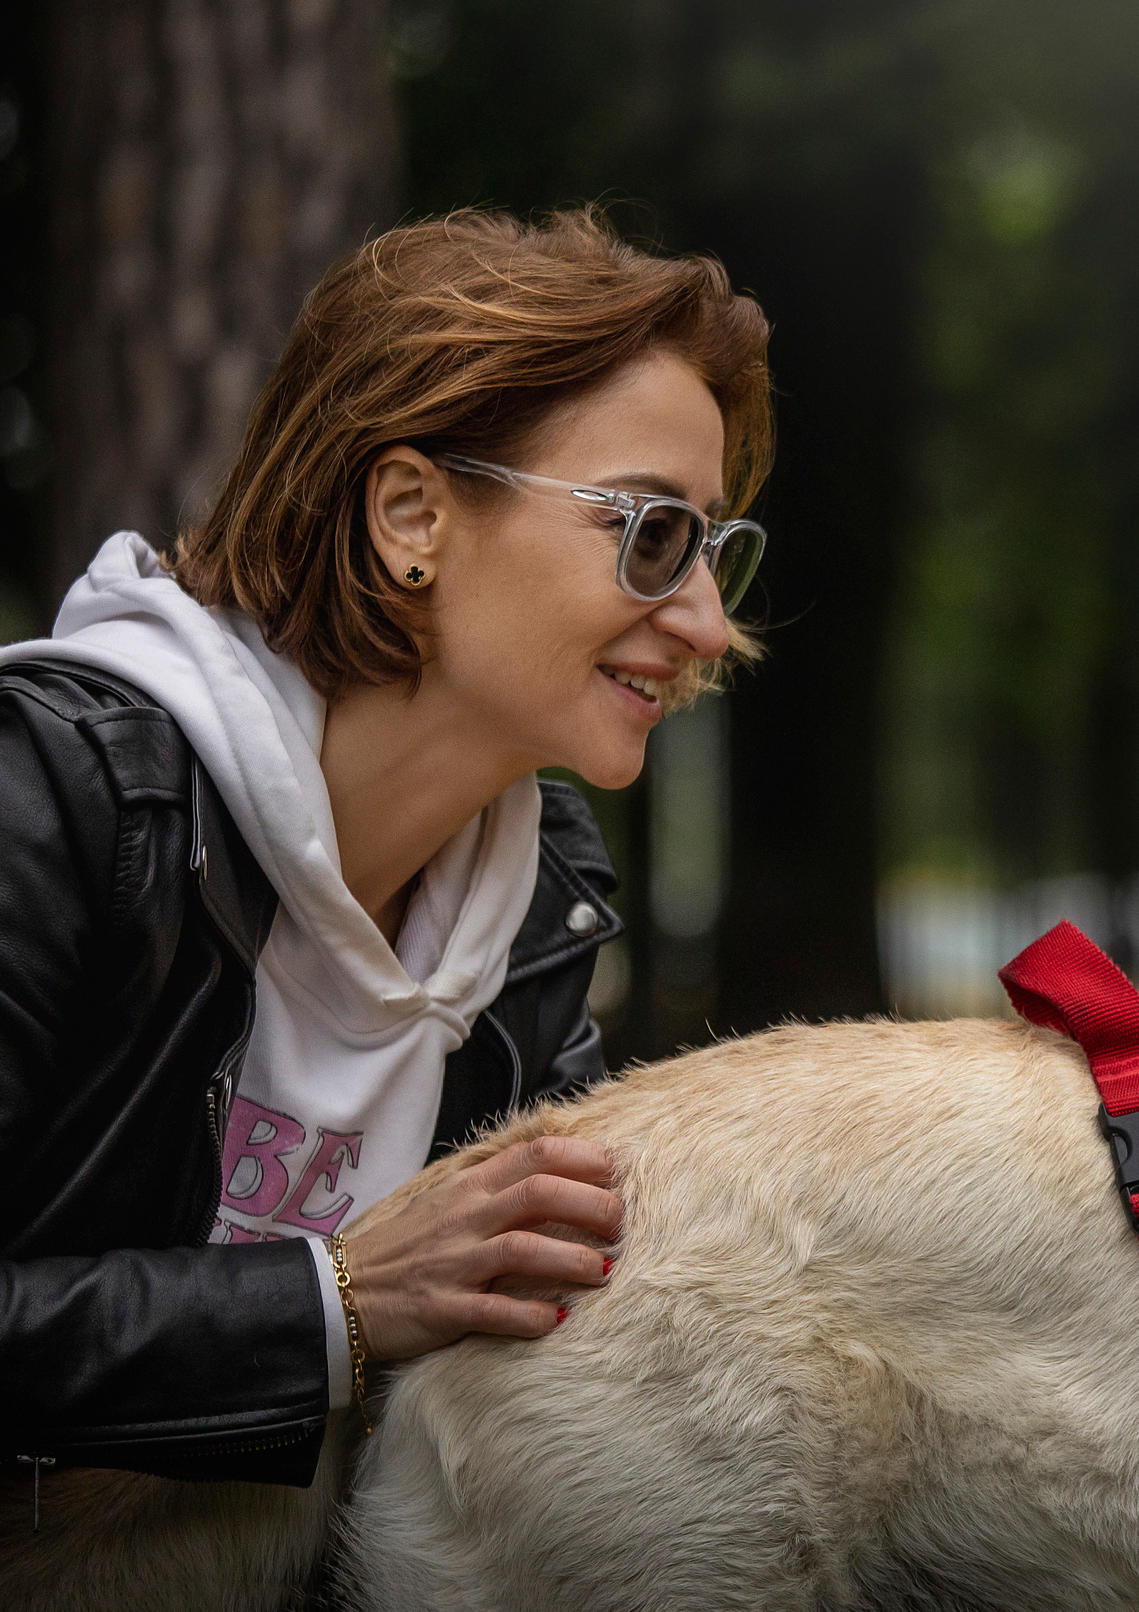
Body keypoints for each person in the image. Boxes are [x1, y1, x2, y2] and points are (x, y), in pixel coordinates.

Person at [0, 208, 771, 1489]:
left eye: (712, 548)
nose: (700, 621)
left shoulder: (535, 906)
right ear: (412, 513)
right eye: (648, 535)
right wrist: (331, 1304)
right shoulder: (57, 798)